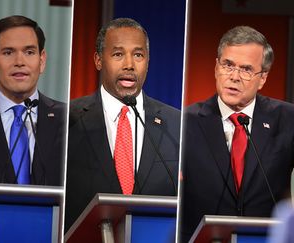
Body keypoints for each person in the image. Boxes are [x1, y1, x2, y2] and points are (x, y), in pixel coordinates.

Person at [180, 26, 294, 242]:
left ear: (262, 78)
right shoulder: (185, 122)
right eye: (228, 65)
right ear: (216, 68)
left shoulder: (287, 120)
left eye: (246, 69)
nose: (234, 77)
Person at [65, 18, 180, 231]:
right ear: (98, 60)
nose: (129, 65)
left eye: (138, 55)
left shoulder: (177, 125)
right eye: (118, 54)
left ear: (148, 61)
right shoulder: (68, 121)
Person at [0, 15, 66, 186]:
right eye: (8, 52)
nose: (19, 62)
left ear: (42, 60)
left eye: (29, 52)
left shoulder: (68, 121)